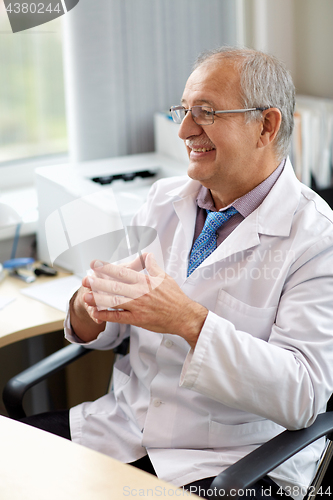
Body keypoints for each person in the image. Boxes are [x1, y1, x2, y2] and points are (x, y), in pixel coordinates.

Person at [22, 47, 333, 500]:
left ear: (266, 126)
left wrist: (189, 321)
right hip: (123, 430)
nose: (185, 130)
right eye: (183, 111)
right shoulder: (164, 200)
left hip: (233, 462)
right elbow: (117, 326)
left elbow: (303, 395)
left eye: (205, 113)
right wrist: (88, 309)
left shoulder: (316, 238)